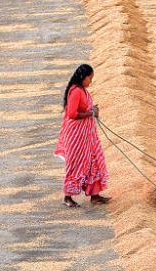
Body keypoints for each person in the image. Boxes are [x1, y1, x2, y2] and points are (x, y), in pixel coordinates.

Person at [56, 63, 111, 208]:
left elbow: (82, 108)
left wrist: (91, 110)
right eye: (90, 78)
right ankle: (67, 197)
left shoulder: (82, 90)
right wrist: (90, 113)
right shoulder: (76, 91)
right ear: (83, 77)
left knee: (94, 161)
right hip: (76, 136)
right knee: (75, 164)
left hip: (87, 134)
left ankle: (95, 195)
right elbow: (72, 114)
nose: (90, 82)